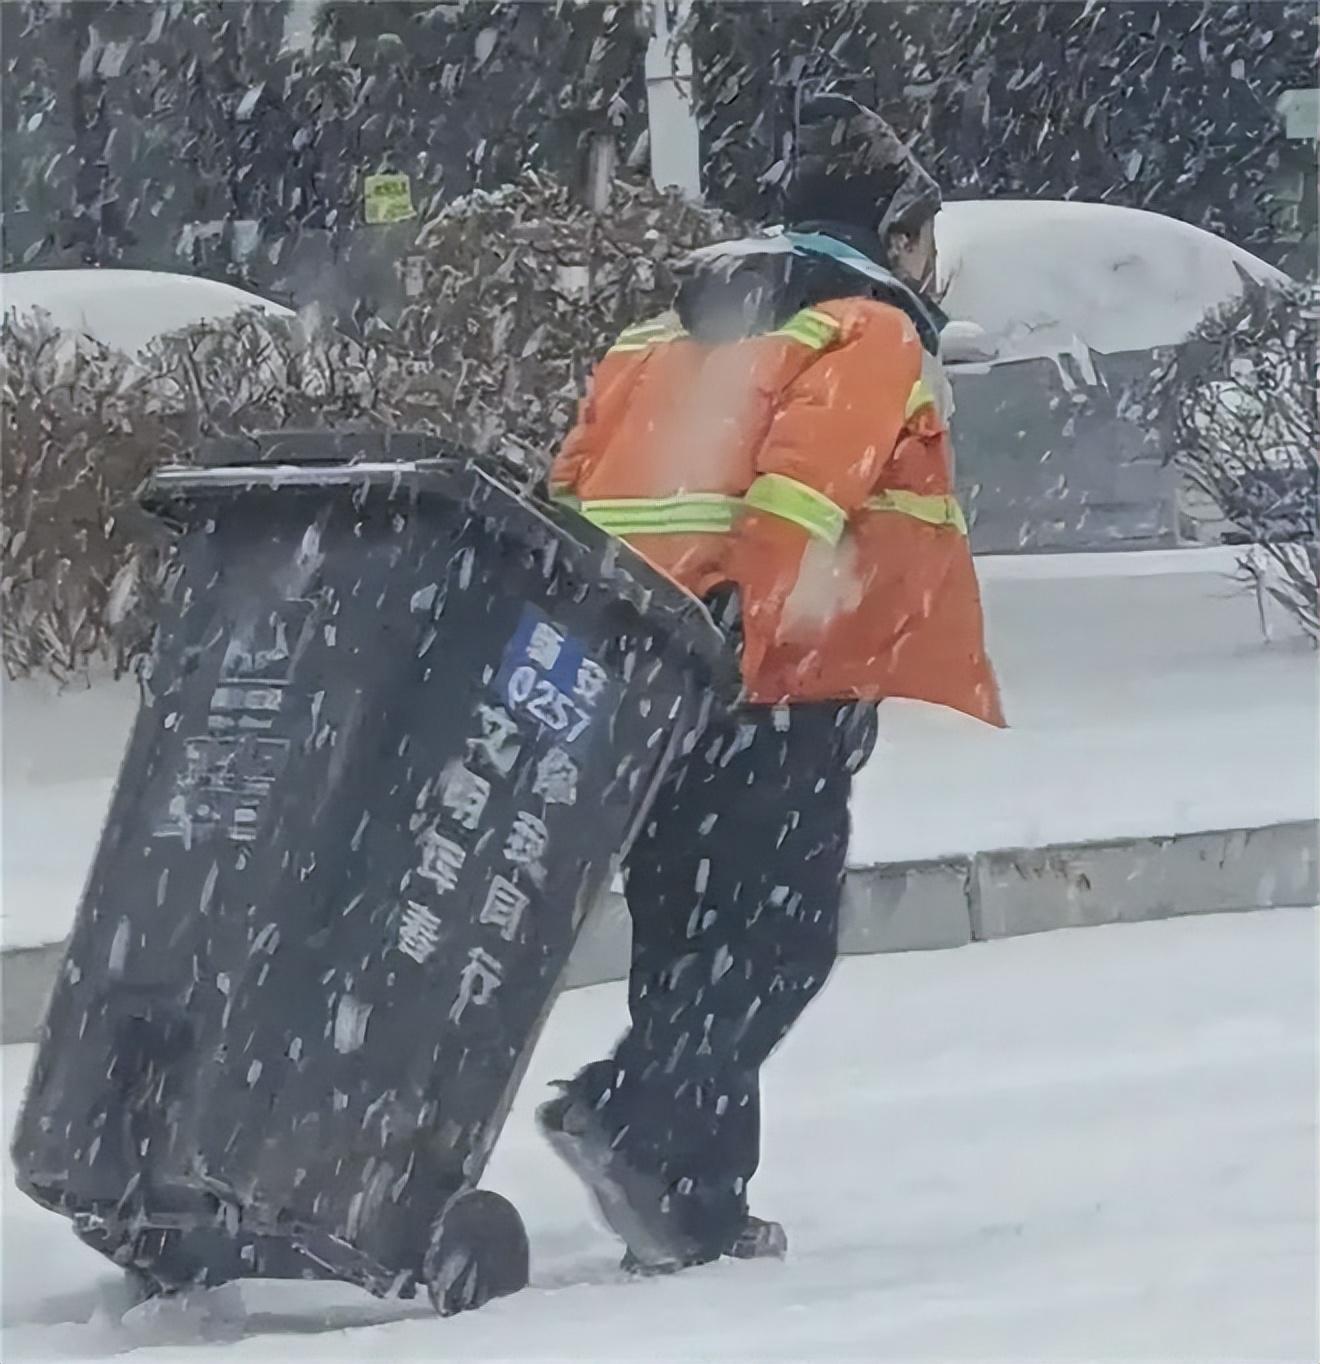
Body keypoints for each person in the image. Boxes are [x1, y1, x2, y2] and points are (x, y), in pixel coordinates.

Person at [537, 94, 1004, 1275]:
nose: (931, 262)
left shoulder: (663, 332)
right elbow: (801, 496)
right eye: (924, 234)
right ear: (890, 231)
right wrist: (760, 657)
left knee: (688, 936)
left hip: (642, 675)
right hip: (763, 679)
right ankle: (633, 1117)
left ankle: (691, 1200)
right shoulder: (863, 329)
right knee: (779, 944)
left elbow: (573, 486)